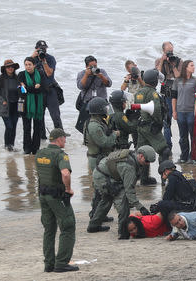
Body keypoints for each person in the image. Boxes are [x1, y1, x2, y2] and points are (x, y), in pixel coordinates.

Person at [35, 128, 78, 272]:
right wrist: (68, 189)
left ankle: (49, 264)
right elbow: (65, 174)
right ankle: (61, 263)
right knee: (68, 226)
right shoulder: (60, 155)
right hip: (56, 196)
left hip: (43, 195)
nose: (65, 140)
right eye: (64, 138)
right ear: (59, 139)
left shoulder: (40, 153)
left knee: (49, 229)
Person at [87, 146, 155, 235]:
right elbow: (129, 191)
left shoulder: (133, 157)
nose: (148, 164)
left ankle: (93, 226)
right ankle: (123, 230)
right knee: (122, 200)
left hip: (103, 174)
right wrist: (141, 208)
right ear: (141, 156)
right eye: (147, 161)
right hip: (102, 177)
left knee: (107, 199)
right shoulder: (129, 167)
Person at [84, 97, 119, 218]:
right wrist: (114, 135)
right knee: (100, 187)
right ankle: (95, 213)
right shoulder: (94, 126)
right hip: (97, 159)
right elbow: (104, 142)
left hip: (99, 157)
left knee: (101, 187)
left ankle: (99, 214)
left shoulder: (97, 122)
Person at [134, 69, 171, 164]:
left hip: (141, 126)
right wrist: (159, 122)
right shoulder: (153, 94)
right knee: (164, 151)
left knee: (142, 153)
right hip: (151, 127)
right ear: (154, 81)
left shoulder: (138, 93)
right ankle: (164, 175)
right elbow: (157, 110)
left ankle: (142, 177)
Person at [31, 40, 62, 136]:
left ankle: (60, 136)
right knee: (40, 118)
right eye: (40, 49)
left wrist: (44, 61)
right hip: (39, 92)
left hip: (50, 90)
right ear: (36, 49)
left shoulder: (50, 58)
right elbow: (28, 73)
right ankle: (42, 139)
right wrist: (32, 58)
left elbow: (49, 73)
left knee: (56, 116)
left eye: (44, 49)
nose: (42, 51)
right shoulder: (32, 60)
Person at [156, 41, 182, 150]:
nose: (170, 54)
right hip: (165, 92)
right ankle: (168, 146)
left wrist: (173, 65)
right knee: (166, 121)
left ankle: (182, 147)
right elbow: (157, 75)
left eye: (171, 51)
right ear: (163, 51)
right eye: (168, 52)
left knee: (180, 120)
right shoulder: (159, 61)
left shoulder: (179, 61)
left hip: (177, 92)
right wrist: (162, 61)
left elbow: (179, 77)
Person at [172, 60, 196, 163]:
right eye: (191, 65)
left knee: (193, 135)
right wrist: (174, 111)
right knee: (183, 136)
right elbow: (174, 97)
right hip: (180, 112)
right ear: (186, 67)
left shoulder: (195, 81)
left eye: (193, 65)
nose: (194, 67)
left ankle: (193, 157)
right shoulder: (177, 80)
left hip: (191, 112)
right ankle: (184, 156)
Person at [0, 59, 21, 151]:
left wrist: (23, 89)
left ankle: (11, 146)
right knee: (9, 126)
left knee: (14, 127)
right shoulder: (0, 79)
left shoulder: (17, 78)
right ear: (5, 68)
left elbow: (22, 91)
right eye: (8, 67)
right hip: (6, 107)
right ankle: (6, 145)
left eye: (12, 66)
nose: (10, 68)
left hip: (16, 106)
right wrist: (2, 100)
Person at [18, 57, 44, 155]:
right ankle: (27, 148)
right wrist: (34, 87)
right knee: (26, 127)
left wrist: (29, 88)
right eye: (26, 64)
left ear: (34, 65)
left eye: (30, 64)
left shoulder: (40, 73)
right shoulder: (21, 75)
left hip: (38, 104)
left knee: (38, 127)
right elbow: (22, 90)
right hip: (24, 104)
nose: (28, 66)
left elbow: (43, 88)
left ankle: (36, 148)